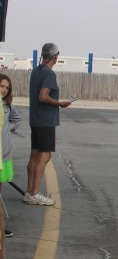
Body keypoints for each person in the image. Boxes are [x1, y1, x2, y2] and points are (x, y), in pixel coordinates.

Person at [26, 42, 73, 206]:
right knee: (45, 155)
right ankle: (35, 193)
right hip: (45, 120)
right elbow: (43, 96)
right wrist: (60, 103)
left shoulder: (36, 71)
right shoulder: (49, 74)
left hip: (35, 119)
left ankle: (29, 191)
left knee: (34, 155)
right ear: (55, 56)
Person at [0, 74, 22, 237]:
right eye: (1, 86)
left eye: (7, 88)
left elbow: (17, 119)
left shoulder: (7, 105)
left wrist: (8, 128)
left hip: (3, 154)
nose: (4, 90)